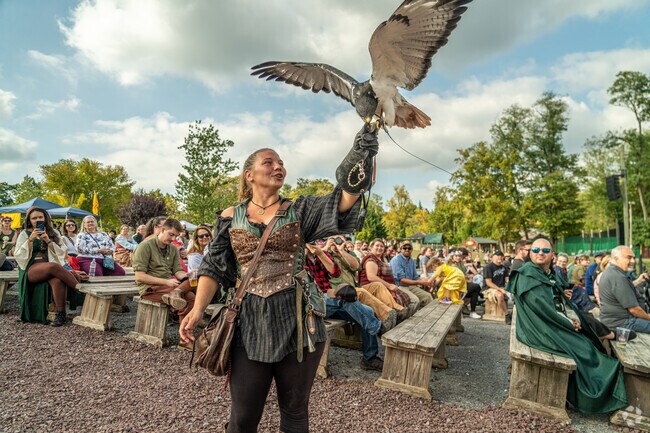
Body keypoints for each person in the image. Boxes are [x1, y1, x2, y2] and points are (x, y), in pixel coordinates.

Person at [179, 123, 378, 433]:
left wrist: (363, 150)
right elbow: (214, 268)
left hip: (299, 320)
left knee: (295, 414)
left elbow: (346, 198)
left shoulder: (301, 209)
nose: (278, 167)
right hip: (249, 321)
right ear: (250, 175)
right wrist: (196, 310)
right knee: (243, 417)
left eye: (281, 163)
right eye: (269, 162)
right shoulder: (230, 216)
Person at [507, 237, 627, 414]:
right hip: (537, 329)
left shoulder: (543, 272)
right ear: (530, 253)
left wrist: (566, 312)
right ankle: (595, 396)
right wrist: (569, 323)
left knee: (588, 332)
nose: (540, 253)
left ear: (552, 255)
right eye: (536, 250)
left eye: (545, 251)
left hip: (543, 323)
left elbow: (550, 298)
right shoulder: (527, 274)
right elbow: (543, 309)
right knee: (586, 349)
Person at [304, 240, 384, 370]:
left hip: (327, 300)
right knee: (346, 299)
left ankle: (370, 358)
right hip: (310, 304)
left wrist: (320, 253)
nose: (312, 243)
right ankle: (377, 328)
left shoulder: (320, 255)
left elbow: (335, 272)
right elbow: (308, 290)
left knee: (367, 310)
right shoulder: (298, 258)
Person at [13, 207, 84, 326]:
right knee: (53, 267)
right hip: (31, 268)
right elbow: (18, 255)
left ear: (45, 218)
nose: (37, 220)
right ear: (29, 220)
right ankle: (80, 290)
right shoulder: (24, 234)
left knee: (57, 279)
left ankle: (60, 314)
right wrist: (30, 240)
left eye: (40, 217)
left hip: (51, 267)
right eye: (34, 218)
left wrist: (48, 240)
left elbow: (62, 253)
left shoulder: (54, 233)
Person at [133, 218, 195, 338]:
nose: (173, 239)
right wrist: (166, 282)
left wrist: (189, 276)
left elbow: (178, 271)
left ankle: (176, 293)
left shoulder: (172, 248)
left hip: (169, 286)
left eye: (176, 236)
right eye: (171, 234)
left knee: (198, 282)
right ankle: (185, 338)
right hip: (150, 288)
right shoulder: (144, 246)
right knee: (190, 299)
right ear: (162, 229)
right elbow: (139, 276)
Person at [325, 234, 400, 330]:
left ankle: (396, 311)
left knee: (377, 285)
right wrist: (327, 247)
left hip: (354, 287)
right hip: (340, 292)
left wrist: (342, 251)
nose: (337, 242)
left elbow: (357, 266)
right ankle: (386, 316)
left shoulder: (349, 253)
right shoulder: (326, 254)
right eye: (335, 240)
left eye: (340, 240)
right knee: (365, 301)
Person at [598, 246, 650, 333]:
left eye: (633, 258)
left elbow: (624, 290)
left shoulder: (611, 272)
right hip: (622, 322)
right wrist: (648, 317)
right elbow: (634, 310)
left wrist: (638, 281)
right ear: (616, 258)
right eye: (629, 257)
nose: (633, 261)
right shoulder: (618, 277)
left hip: (615, 321)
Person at [360, 238, 417, 316]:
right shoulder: (371, 260)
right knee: (404, 300)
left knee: (406, 299)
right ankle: (398, 312)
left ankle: (401, 317)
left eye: (382, 246)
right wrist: (389, 285)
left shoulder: (382, 258)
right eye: (377, 246)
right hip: (372, 288)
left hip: (387, 286)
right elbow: (371, 277)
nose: (379, 248)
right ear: (371, 247)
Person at [389, 242, 434, 308]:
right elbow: (401, 280)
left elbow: (415, 277)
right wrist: (420, 282)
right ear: (401, 249)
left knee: (428, 297)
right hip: (398, 286)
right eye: (405, 248)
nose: (407, 249)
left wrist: (426, 281)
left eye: (409, 248)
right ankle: (411, 317)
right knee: (415, 300)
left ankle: (426, 316)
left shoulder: (412, 260)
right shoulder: (396, 260)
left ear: (412, 250)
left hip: (410, 286)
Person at [483, 251, 511, 324]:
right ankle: (507, 315)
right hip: (489, 288)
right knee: (499, 295)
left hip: (501, 287)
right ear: (492, 257)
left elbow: (507, 280)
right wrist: (500, 289)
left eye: (501, 256)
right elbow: (488, 283)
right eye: (497, 255)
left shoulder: (504, 267)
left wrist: (510, 287)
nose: (500, 257)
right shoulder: (488, 267)